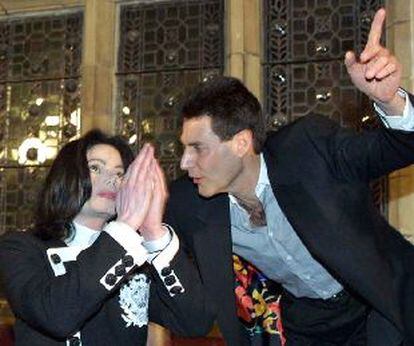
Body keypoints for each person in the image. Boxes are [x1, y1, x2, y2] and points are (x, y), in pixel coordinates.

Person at [165, 8, 414, 346]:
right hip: (311, 323)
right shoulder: (190, 201)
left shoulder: (309, 147)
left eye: (197, 148)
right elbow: (130, 221)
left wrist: (391, 101)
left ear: (241, 142)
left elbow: (396, 148)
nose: (184, 162)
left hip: (382, 300)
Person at [0, 130, 212, 345]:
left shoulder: (135, 256)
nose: (112, 179)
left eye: (120, 173)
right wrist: (126, 225)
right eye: (95, 168)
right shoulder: (20, 247)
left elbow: (195, 322)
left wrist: (153, 233)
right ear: (66, 178)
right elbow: (56, 316)